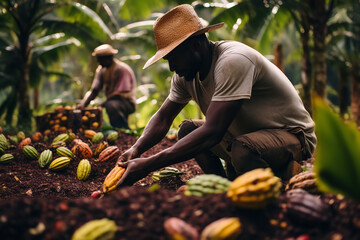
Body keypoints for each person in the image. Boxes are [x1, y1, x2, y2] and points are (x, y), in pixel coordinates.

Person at [115, 4, 317, 186]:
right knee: (187, 130)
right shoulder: (185, 74)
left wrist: (147, 165)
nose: (171, 67)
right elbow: (163, 117)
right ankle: (224, 187)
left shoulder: (233, 60)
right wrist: (136, 149)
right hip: (246, 138)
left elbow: (213, 131)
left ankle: (278, 179)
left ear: (194, 46)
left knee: (242, 148)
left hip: (292, 136)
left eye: (173, 58)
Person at [78, 44, 137, 129]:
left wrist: (103, 104)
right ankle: (116, 129)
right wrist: (83, 104)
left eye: (100, 59)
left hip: (127, 102)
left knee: (111, 105)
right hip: (113, 101)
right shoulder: (101, 70)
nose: (98, 62)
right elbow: (94, 90)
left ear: (108, 58)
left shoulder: (121, 69)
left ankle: (122, 130)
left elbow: (119, 94)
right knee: (111, 104)